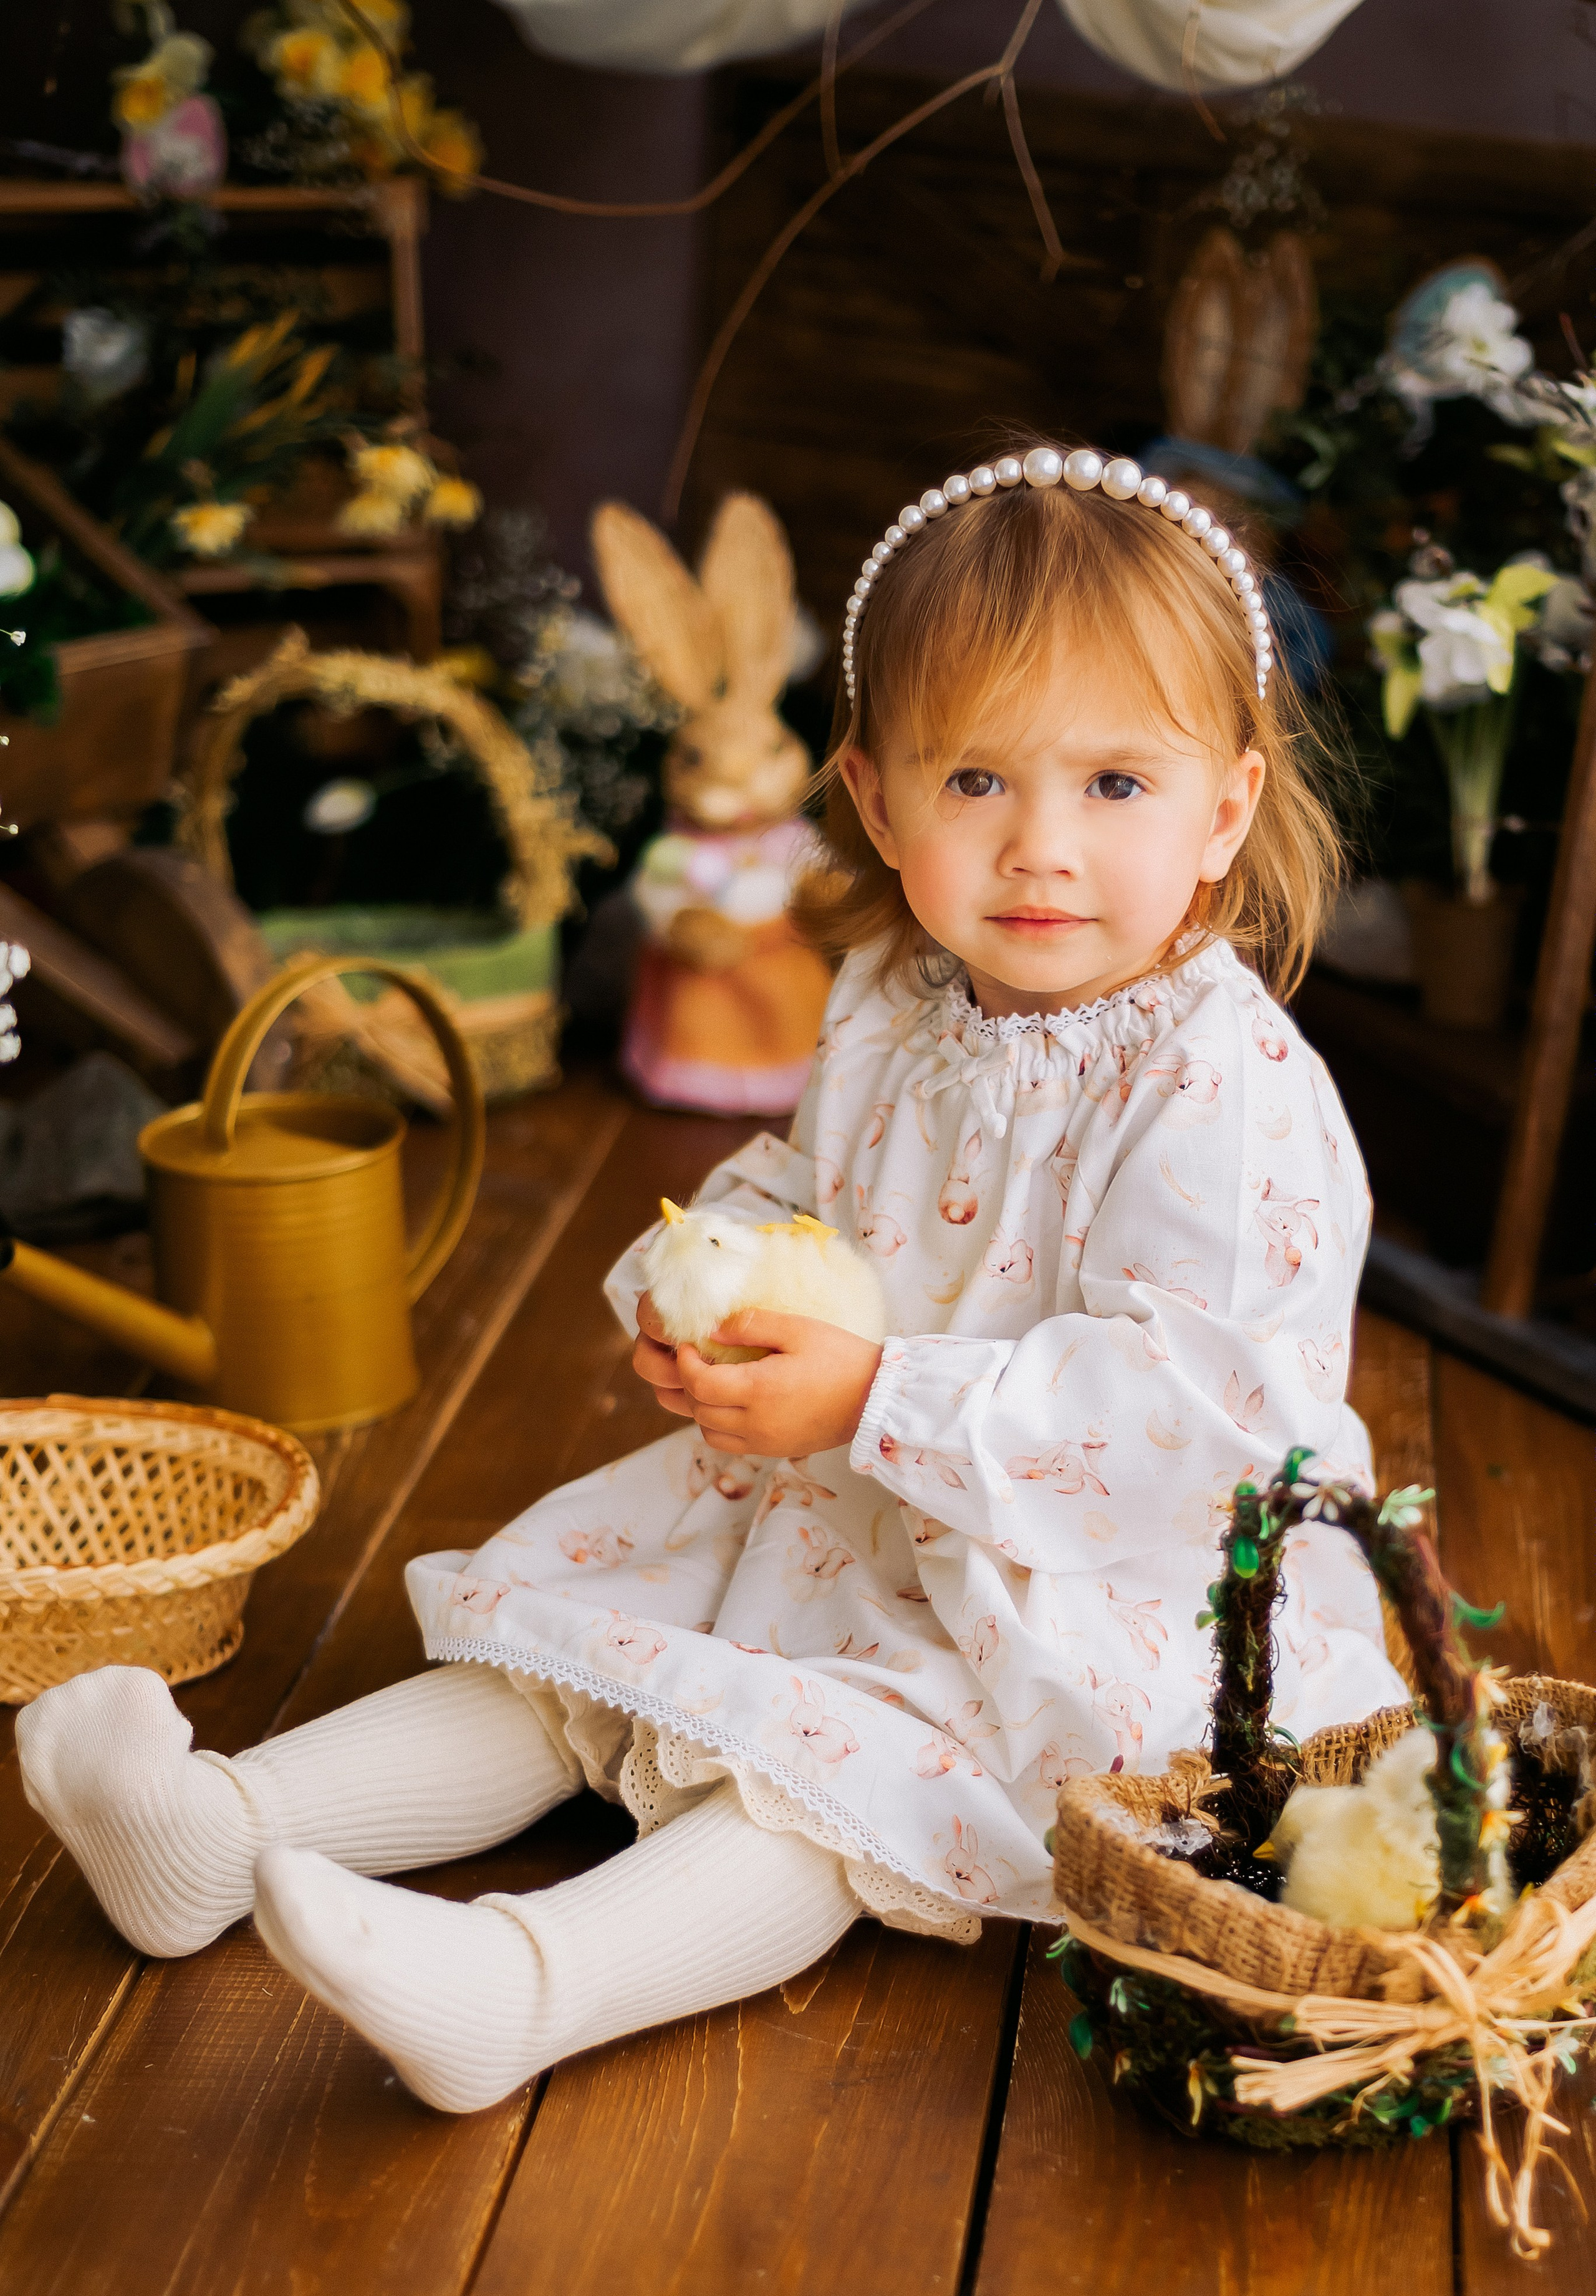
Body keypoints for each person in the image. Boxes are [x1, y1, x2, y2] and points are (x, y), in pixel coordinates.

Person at [17, 438, 1408, 2114]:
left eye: (1115, 786)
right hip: (838, 1485)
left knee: (816, 1781)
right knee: (571, 1656)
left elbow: (1205, 1413)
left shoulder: (1221, 1086)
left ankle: (524, 1985)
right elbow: (802, 1185)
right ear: (878, 795)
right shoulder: (897, 997)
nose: (1042, 848)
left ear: (1226, 808)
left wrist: (885, 1395)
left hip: (1090, 1578)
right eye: (977, 782)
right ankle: (217, 1830)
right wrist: (709, 1288)